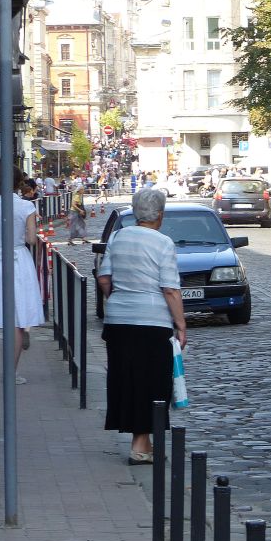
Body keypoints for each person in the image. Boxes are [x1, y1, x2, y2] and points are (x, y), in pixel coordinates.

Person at [96, 188, 186, 465]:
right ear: (159, 215)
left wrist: (118, 300)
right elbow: (170, 289)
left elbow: (103, 280)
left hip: (119, 321)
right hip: (152, 321)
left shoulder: (117, 237)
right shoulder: (163, 243)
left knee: (127, 380)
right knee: (153, 383)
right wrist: (181, 325)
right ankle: (140, 445)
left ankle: (143, 443)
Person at [0, 171, 46, 366]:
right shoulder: (26, 206)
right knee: (17, 318)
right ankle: (11, 372)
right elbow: (31, 239)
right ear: (19, 183)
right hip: (18, 259)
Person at [66, 177, 87, 245]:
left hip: (77, 212)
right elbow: (73, 205)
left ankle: (83, 238)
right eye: (83, 189)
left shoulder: (79, 195)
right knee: (73, 225)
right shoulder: (77, 196)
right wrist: (80, 210)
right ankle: (70, 240)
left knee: (82, 224)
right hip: (74, 212)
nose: (83, 190)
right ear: (80, 190)